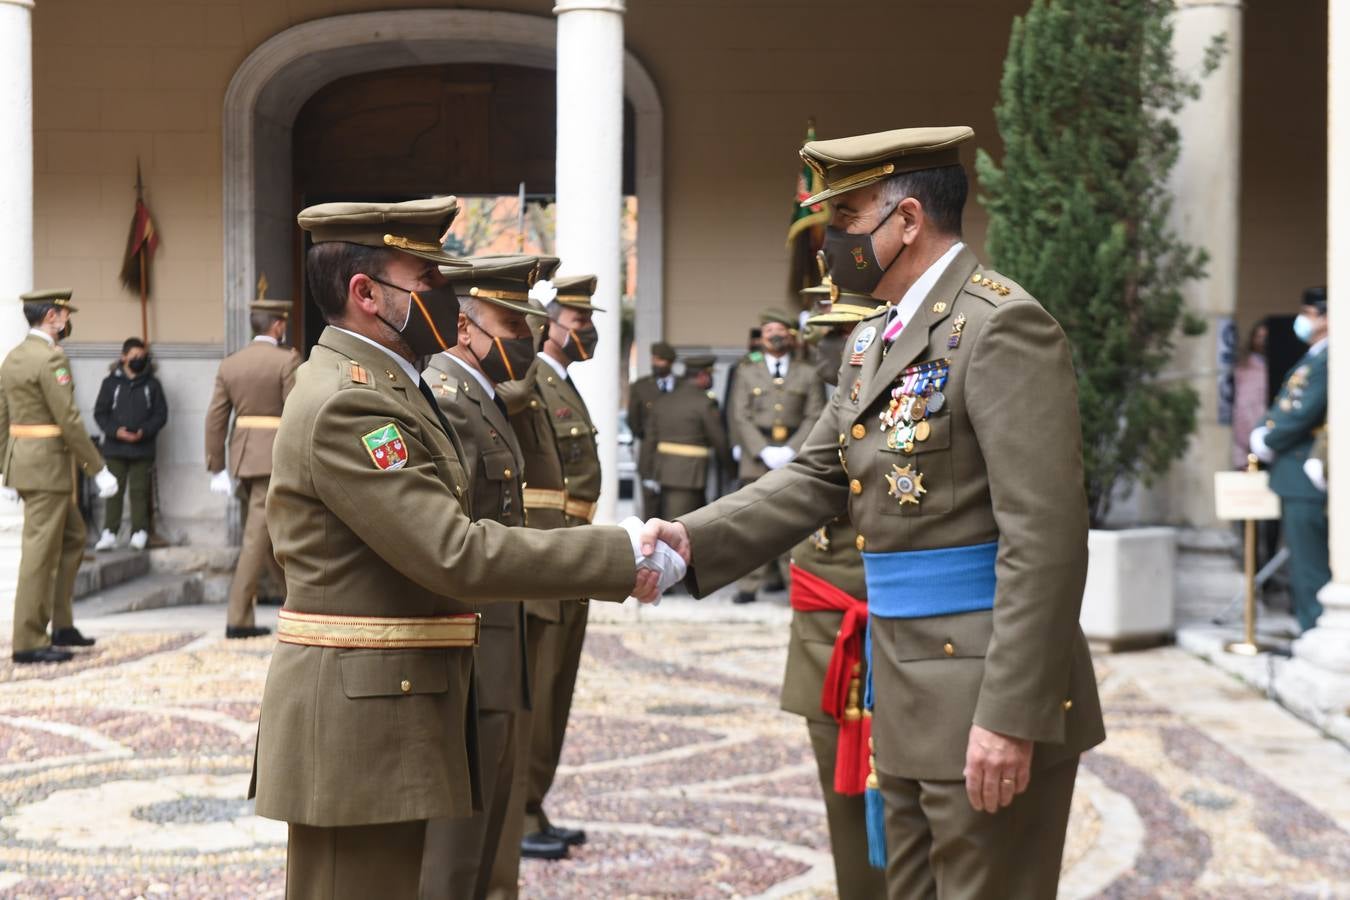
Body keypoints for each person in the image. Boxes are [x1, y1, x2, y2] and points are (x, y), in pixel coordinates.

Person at [641, 126, 1106, 899]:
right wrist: (691, 540)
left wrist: (1012, 715)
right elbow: (816, 476)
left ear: (908, 220)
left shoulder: (1001, 327)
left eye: (847, 218)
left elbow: (1046, 540)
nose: (831, 243)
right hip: (902, 683)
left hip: (981, 693)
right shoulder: (872, 341)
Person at [249, 197, 677, 900]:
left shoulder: (392, 384)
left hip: (390, 701)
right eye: (425, 281)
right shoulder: (349, 402)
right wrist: (617, 555)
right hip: (359, 721)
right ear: (365, 294)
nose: (445, 297)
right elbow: (454, 551)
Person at [419, 254, 555, 900]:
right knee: (455, 849)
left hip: (500, 639)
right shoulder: (449, 400)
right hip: (470, 645)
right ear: (464, 327)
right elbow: (456, 540)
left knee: (490, 832)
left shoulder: (483, 397)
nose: (525, 341)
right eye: (512, 326)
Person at [782, 280, 888, 900]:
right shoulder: (837, 407)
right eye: (823, 333)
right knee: (843, 806)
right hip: (824, 629)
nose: (823, 346)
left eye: (838, 333)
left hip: (870, 637)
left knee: (885, 804)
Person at [496, 273, 604, 858]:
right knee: (534, 697)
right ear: (552, 324)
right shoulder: (531, 375)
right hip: (545, 552)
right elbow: (508, 395)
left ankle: (533, 803)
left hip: (573, 553)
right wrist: (533, 327)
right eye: (578, 320)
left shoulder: (563, 382)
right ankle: (517, 816)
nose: (587, 330)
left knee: (555, 694)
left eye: (589, 321)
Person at [0, 289, 119, 663]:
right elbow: (68, 418)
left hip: (26, 463)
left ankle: (62, 623)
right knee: (38, 554)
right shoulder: (51, 359)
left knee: (73, 536)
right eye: (64, 314)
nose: (68, 320)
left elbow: (2, 418)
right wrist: (97, 468)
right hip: (47, 467)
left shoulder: (14, 357)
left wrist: (5, 467)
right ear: (51, 316)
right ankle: (28, 640)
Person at [204, 296, 299, 638]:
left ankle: (298, 604)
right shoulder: (287, 359)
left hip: (242, 457)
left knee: (267, 534)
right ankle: (238, 617)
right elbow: (296, 411)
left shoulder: (231, 363)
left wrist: (216, 464)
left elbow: (216, 417)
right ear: (278, 325)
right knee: (256, 537)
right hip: (273, 457)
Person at [726, 308, 824, 603]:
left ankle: (794, 586)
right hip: (757, 456)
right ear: (762, 337)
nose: (775, 336)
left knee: (790, 521)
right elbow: (740, 415)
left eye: (780, 330)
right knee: (751, 522)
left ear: (791, 336)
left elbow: (816, 414)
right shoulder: (746, 371)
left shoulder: (809, 372)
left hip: (794, 455)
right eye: (769, 331)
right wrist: (762, 450)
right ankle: (748, 585)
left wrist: (792, 449)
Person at [1251, 286, 1330, 632]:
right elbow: (1285, 405)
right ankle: (1306, 631)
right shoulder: (1315, 357)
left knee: (1310, 567)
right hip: (1292, 471)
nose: (1303, 320)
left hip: (1305, 472)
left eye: (1309, 314)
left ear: (1327, 318)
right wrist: (1262, 430)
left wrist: (1268, 439)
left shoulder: (1330, 359)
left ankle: (1314, 633)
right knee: (1300, 563)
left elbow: (1303, 413)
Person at [93, 337, 168, 552]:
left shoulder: (152, 385)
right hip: (115, 448)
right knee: (113, 491)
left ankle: (139, 532)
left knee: (139, 491)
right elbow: (100, 413)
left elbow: (161, 415)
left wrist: (144, 431)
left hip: (142, 448)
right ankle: (109, 533)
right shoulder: (110, 383)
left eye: (141, 356)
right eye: (134, 356)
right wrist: (116, 431)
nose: (138, 360)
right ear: (123, 357)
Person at [646, 354, 732, 520]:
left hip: (664, 470)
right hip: (691, 473)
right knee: (681, 522)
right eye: (710, 375)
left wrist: (647, 473)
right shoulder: (704, 402)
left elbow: (649, 441)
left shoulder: (664, 400)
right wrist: (732, 468)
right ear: (702, 376)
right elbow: (719, 440)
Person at [629, 341, 678, 517]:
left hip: (676, 455)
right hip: (650, 454)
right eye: (653, 359)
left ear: (669, 362)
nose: (655, 364)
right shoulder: (641, 386)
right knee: (650, 506)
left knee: (676, 507)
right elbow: (633, 420)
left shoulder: (682, 386)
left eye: (660, 360)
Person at [1232, 321, 1269, 470]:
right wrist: (1250, 441)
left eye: (1266, 337)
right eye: (1259, 337)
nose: (1263, 342)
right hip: (1249, 444)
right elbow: (1241, 409)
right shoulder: (1243, 370)